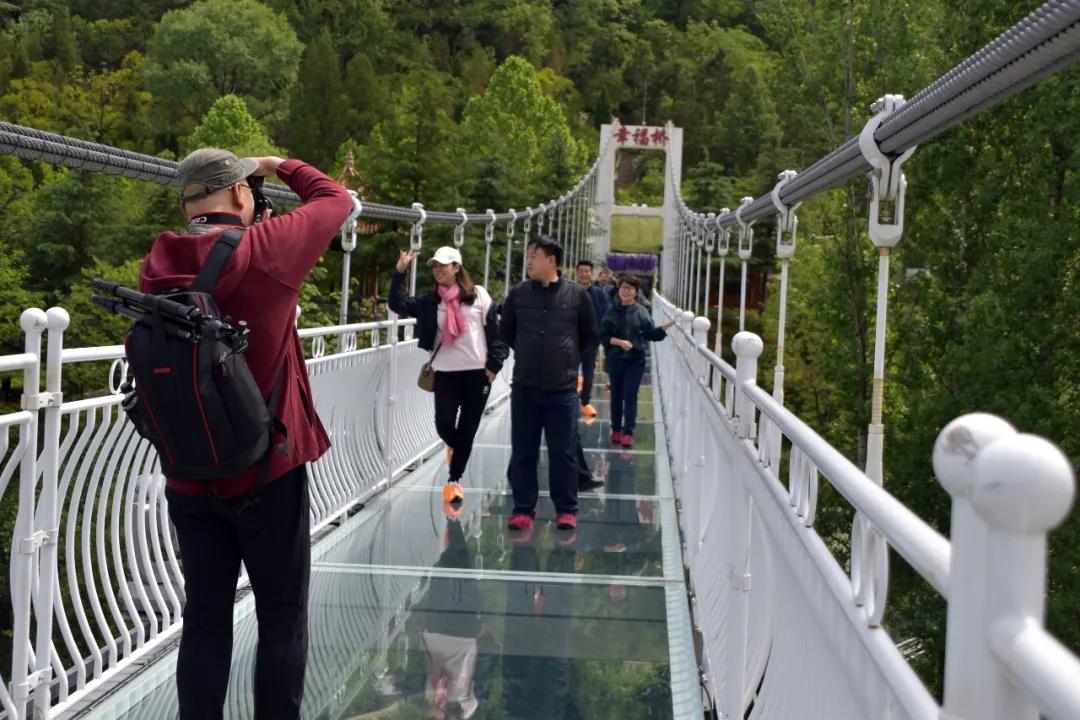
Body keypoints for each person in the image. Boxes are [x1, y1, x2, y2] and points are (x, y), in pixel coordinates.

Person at [139, 148, 352, 719]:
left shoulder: (159, 262)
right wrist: (279, 165)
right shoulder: (267, 248)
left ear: (187, 204)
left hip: (189, 477)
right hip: (267, 470)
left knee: (204, 618)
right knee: (281, 617)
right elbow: (337, 200)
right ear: (240, 195)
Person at [389, 246, 508, 510]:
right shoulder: (430, 302)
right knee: (444, 425)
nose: (438, 270)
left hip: (478, 376)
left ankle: (454, 481)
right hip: (445, 375)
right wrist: (400, 271)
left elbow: (497, 334)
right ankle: (458, 448)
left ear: (457, 267)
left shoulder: (479, 296)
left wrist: (494, 365)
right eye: (434, 266)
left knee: (467, 428)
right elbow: (396, 303)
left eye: (444, 265)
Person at [500, 236, 597, 532]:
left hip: (562, 390)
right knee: (524, 450)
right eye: (528, 255)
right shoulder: (518, 295)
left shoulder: (577, 296)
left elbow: (589, 336)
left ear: (551, 261)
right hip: (525, 387)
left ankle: (566, 509)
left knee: (563, 452)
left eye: (534, 255)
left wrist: (569, 362)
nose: (528, 260)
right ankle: (523, 509)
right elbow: (505, 335)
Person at [599, 274, 675, 449]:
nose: (626, 292)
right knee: (616, 395)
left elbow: (649, 334)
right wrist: (620, 342)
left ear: (636, 292)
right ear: (619, 290)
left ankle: (628, 432)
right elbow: (603, 335)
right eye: (623, 288)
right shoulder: (611, 310)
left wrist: (663, 328)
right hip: (616, 359)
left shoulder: (641, 311)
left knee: (630, 395)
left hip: (635, 360)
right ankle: (616, 429)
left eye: (630, 289)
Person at [575, 260, 609, 417]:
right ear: (577, 273)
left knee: (588, 370)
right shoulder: (570, 290)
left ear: (592, 273)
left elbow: (606, 314)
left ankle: (585, 401)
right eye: (581, 271)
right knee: (569, 370)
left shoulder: (599, 293)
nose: (584, 274)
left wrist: (601, 333)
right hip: (570, 338)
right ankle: (569, 398)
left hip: (590, 339)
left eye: (587, 271)